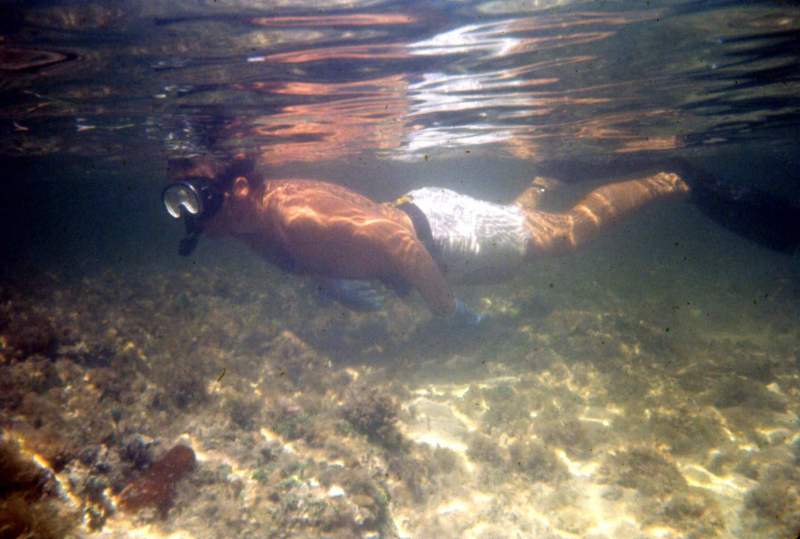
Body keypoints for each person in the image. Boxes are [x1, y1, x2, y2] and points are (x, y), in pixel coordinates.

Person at [162, 157, 799, 324]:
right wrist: (333, 281)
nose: (194, 218)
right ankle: (545, 177)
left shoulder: (291, 218)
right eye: (184, 204)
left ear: (241, 186)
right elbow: (334, 251)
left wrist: (449, 313)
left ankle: (672, 181)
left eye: (200, 199)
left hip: (438, 237)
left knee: (561, 240)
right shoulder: (253, 219)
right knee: (522, 224)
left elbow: (396, 247)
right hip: (431, 214)